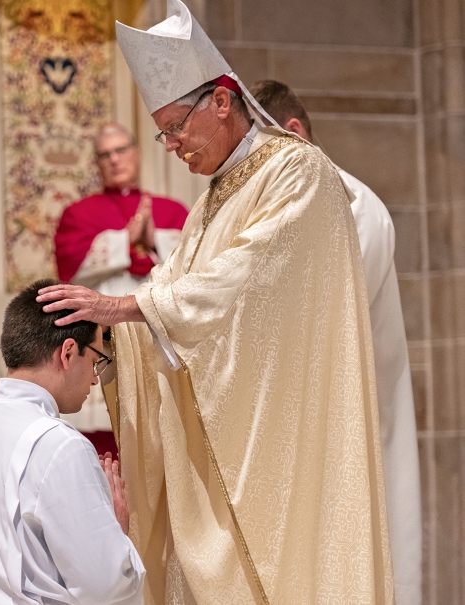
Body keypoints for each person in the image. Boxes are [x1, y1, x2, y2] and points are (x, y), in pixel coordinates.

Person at [36, 1, 394, 603]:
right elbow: (168, 290)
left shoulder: (294, 172)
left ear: (221, 101)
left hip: (279, 434)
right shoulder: (210, 201)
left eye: (176, 127)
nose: (171, 145)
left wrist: (124, 310)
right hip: (222, 435)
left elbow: (246, 279)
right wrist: (112, 338)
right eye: (162, 133)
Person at [251, 79, 422, 605]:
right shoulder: (285, 210)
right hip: (302, 433)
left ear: (294, 134)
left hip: (352, 433)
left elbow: (325, 321)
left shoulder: (354, 207)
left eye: (256, 156)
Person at [0, 279, 145, 605]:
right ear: (69, 352)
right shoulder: (60, 446)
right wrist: (116, 533)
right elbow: (106, 589)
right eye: (96, 360)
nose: (93, 378)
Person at [54, 122, 189, 450]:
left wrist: (154, 238)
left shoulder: (172, 211)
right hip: (105, 346)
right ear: (97, 163)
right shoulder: (78, 214)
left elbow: (193, 267)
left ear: (137, 154)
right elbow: (70, 267)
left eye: (120, 150)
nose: (114, 159)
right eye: (105, 154)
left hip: (159, 345)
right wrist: (124, 240)